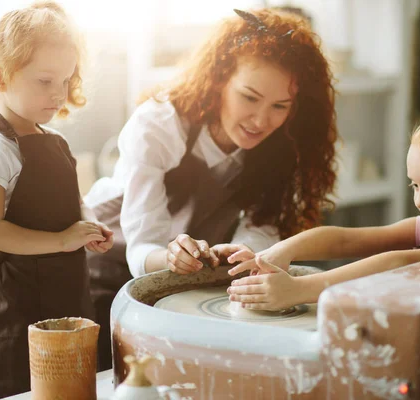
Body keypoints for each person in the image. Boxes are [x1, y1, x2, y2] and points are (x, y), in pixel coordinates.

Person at [84, 8, 337, 369]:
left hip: (184, 279)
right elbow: (142, 247)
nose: (261, 120)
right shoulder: (158, 124)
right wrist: (171, 258)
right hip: (106, 262)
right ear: (219, 79)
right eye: (249, 97)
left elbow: (261, 228)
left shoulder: (282, 145)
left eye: (280, 106)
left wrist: (242, 255)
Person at [226, 93, 420, 311]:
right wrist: (279, 251)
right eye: (414, 185)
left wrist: (300, 291)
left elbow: (403, 262)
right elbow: (346, 241)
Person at [0, 2, 113, 397]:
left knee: (74, 380)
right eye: (45, 81)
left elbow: (72, 207)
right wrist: (63, 240)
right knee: (33, 385)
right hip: (22, 299)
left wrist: (89, 227)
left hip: (69, 288)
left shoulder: (54, 141)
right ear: (1, 77)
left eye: (65, 80)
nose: (59, 93)